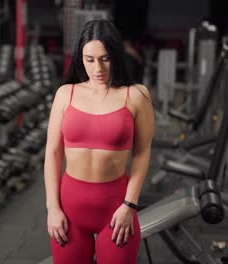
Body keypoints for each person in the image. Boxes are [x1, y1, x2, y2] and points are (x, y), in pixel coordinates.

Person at [43, 19, 155, 264]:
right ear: (80, 58)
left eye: (105, 58)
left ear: (116, 55)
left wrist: (130, 205)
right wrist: (53, 208)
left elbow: (142, 153)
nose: (98, 69)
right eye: (89, 60)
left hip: (116, 211)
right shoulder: (65, 94)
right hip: (69, 211)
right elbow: (52, 153)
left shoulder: (135, 96)